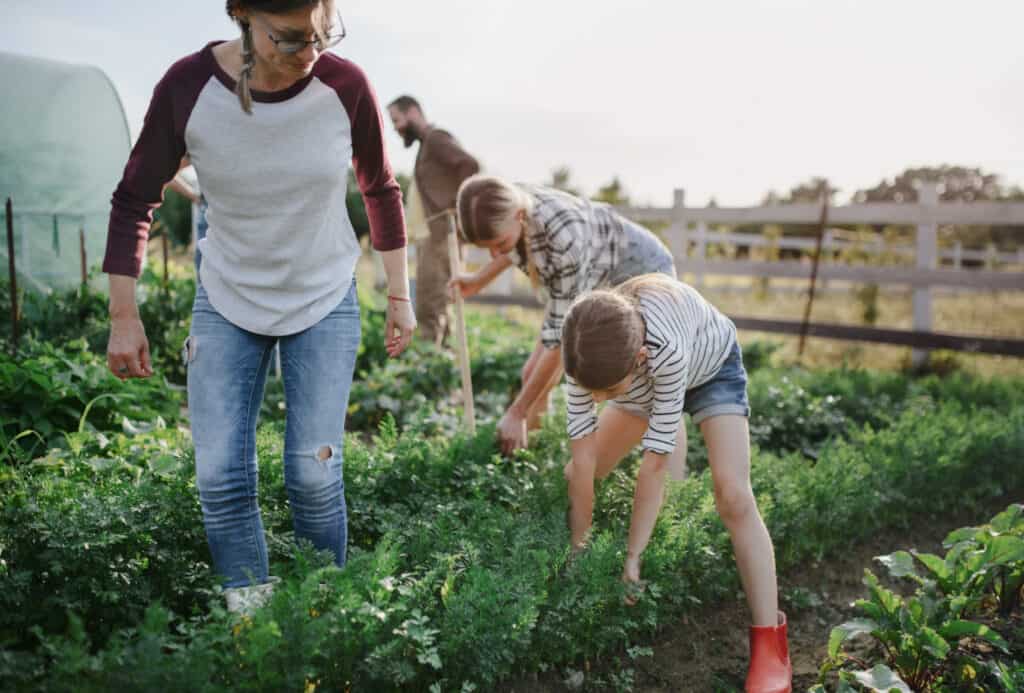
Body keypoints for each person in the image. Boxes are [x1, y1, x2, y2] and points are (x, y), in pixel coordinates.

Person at [102, 0, 415, 613]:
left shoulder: (344, 86)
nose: (311, 53)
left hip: (323, 296)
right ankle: (256, 630)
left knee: (314, 475)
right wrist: (123, 316)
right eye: (293, 38)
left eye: (323, 33)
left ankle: (321, 621)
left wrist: (399, 293)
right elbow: (134, 198)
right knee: (221, 479)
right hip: (227, 297)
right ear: (243, 14)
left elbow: (380, 188)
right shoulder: (187, 88)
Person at [560, 274, 791, 693]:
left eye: (604, 392)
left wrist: (634, 555)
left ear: (640, 357)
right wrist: (578, 549)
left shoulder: (664, 353)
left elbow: (654, 466)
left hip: (711, 367)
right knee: (578, 476)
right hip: (635, 381)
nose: (594, 400)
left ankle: (770, 648)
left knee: (733, 496)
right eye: (588, 391)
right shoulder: (583, 356)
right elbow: (582, 461)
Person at [453, 174, 676, 454]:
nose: (494, 254)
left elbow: (562, 343)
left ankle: (648, 453)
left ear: (520, 216)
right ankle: (531, 456)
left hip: (642, 272)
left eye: (498, 243)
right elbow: (510, 248)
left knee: (631, 380)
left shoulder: (563, 242)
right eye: (487, 249)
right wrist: (477, 281)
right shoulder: (507, 203)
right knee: (531, 373)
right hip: (593, 271)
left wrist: (516, 412)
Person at [387, 95, 479, 345]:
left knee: (429, 308)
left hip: (439, 237)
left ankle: (430, 370)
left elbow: (469, 165)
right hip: (431, 238)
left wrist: (456, 212)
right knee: (438, 305)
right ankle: (443, 370)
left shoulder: (437, 139)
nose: (395, 127)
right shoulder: (426, 145)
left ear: (414, 112)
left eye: (397, 119)